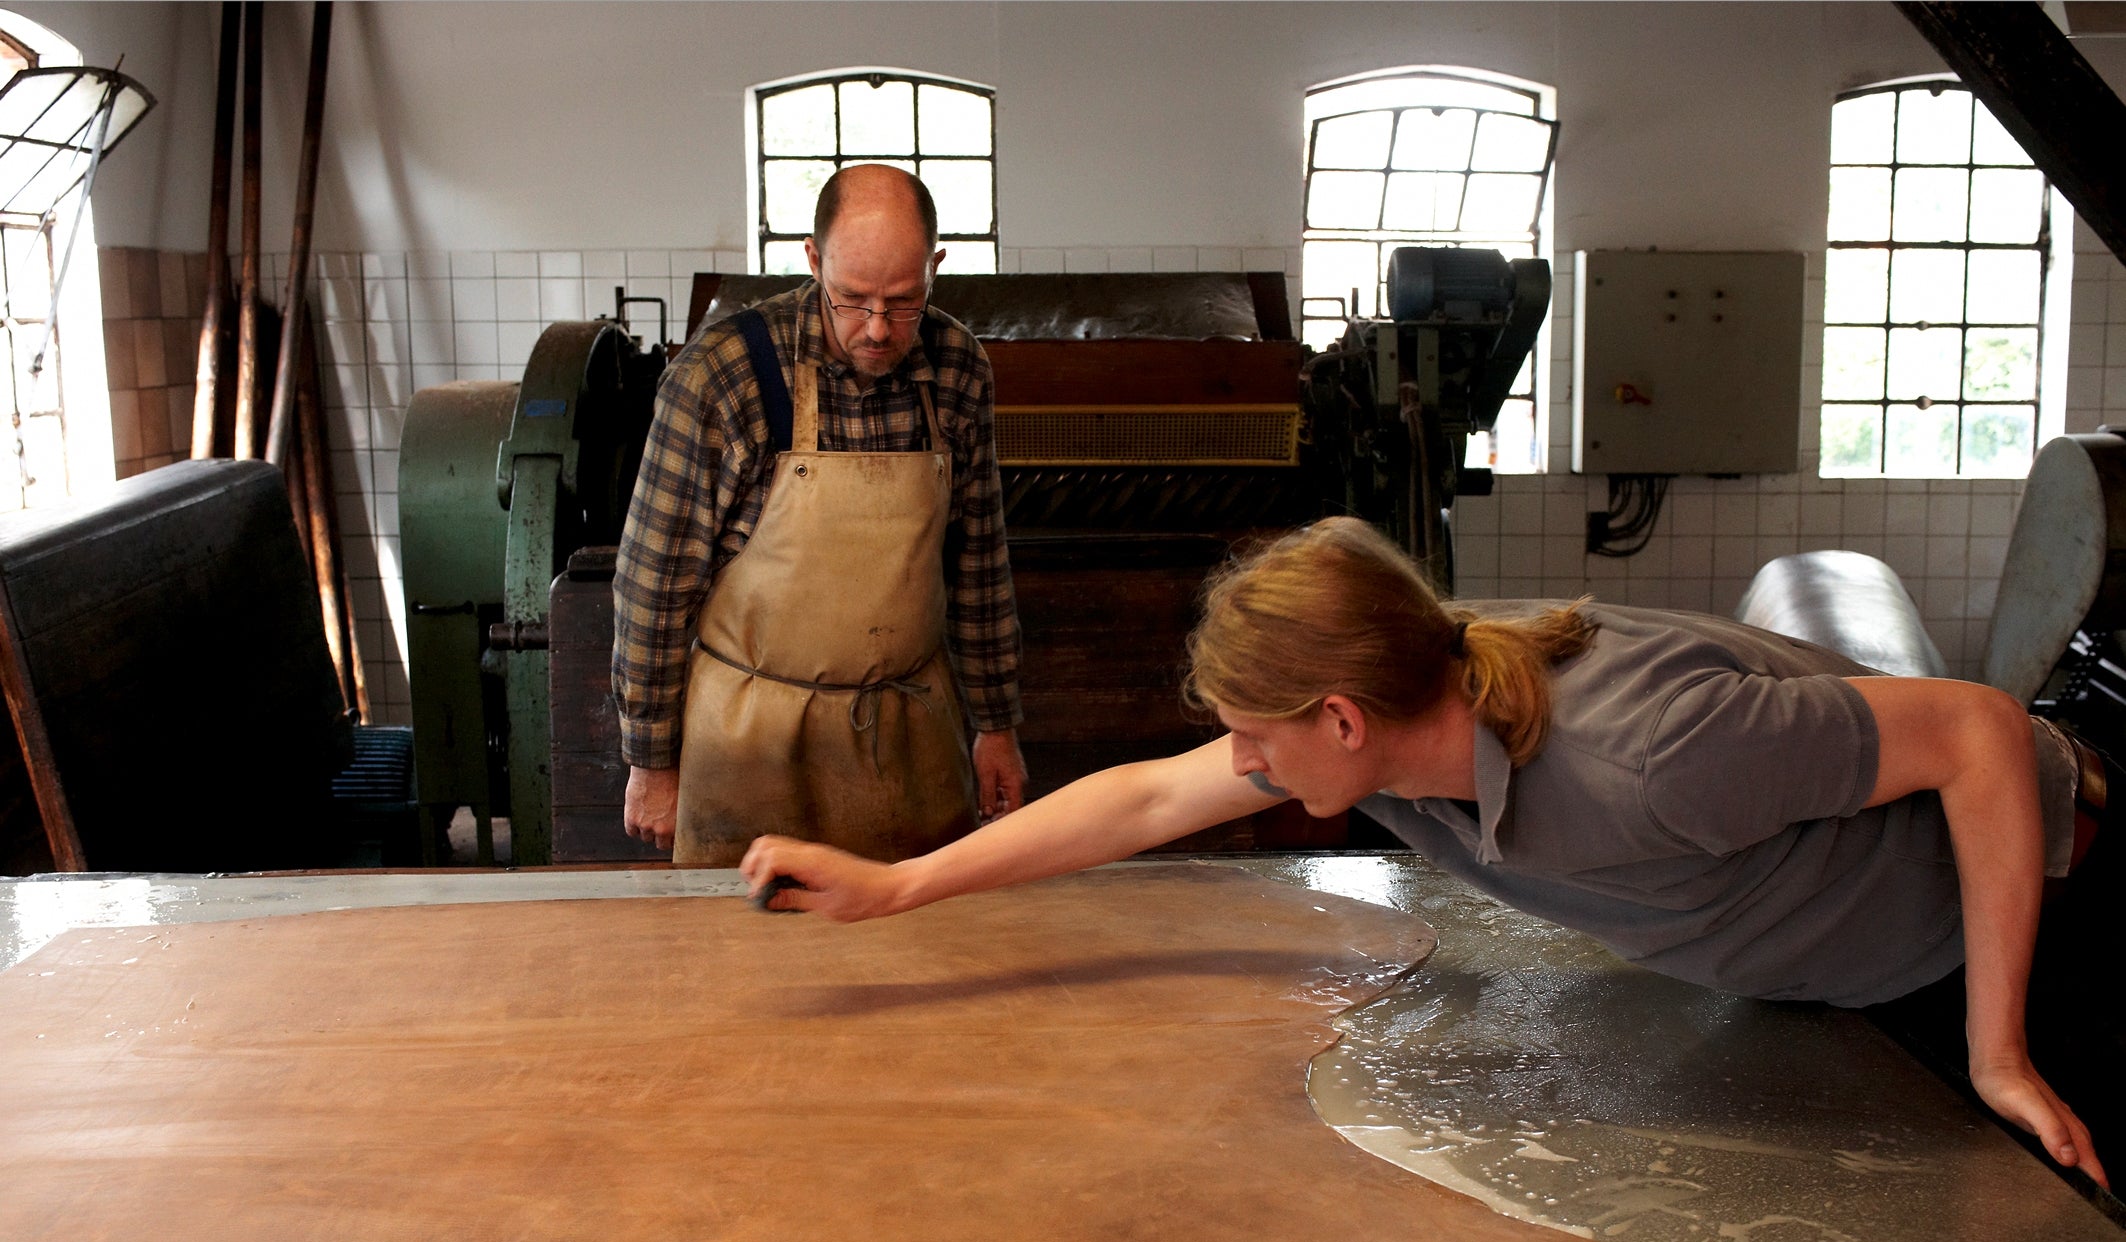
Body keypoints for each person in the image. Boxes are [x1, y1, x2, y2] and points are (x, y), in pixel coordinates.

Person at [742, 516, 2117, 1190]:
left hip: (2051, 911)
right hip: (1855, 972)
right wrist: (904, 881)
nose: (1243, 764)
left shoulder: (1647, 749)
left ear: (1338, 717)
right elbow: (1147, 800)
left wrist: (1996, 1048)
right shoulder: (1406, 740)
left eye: (1256, 737)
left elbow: (1979, 733)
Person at [612, 164, 1026, 866]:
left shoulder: (958, 369)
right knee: (742, 932)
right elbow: (654, 584)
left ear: (935, 268)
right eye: (852, 299)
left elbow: (978, 568)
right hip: (748, 743)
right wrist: (651, 762)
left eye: (904, 302)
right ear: (813, 259)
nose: (877, 328)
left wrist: (997, 725)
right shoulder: (725, 374)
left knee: (925, 928)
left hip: (910, 742)